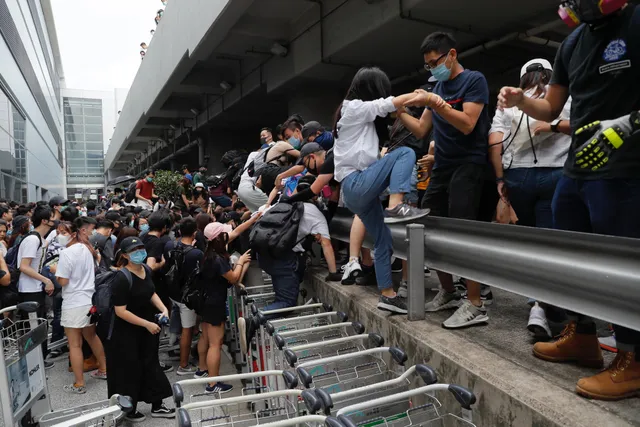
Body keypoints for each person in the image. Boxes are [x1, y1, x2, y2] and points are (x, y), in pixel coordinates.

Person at [497, 0, 640, 400]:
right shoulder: (573, 42)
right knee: (569, 251)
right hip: (579, 166)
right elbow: (552, 105)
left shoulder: (636, 22)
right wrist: (522, 101)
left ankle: (633, 358)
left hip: (627, 165)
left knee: (621, 261)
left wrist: (627, 123)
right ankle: (584, 336)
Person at [399, 32, 491, 328]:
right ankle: (449, 291)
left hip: (469, 163)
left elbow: (467, 124)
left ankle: (476, 303)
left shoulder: (473, 81)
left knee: (463, 230)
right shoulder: (436, 86)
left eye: (434, 62)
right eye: (427, 66)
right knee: (428, 224)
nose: (432, 69)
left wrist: (437, 102)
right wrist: (398, 109)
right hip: (443, 165)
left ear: (451, 54)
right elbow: (421, 129)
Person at [332, 66, 430, 314]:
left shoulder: (361, 121)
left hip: (359, 191)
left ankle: (388, 295)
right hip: (356, 183)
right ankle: (396, 205)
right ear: (371, 90)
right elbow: (384, 105)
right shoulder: (351, 107)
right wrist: (419, 96)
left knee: (384, 240)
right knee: (406, 152)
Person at [489, 58, 572, 339]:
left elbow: (496, 143)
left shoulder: (509, 99)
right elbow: (578, 126)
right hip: (556, 175)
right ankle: (545, 305)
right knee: (551, 242)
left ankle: (538, 303)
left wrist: (500, 180)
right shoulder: (561, 96)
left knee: (529, 241)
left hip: (518, 178)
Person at [105, 236, 175, 421]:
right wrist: (146, 324)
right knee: (130, 369)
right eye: (134, 251)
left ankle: (157, 404)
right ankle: (129, 408)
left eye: (141, 249)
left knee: (151, 364)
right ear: (125, 255)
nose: (140, 253)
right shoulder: (122, 277)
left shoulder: (145, 269)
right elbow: (120, 311)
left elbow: (151, 292)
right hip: (127, 332)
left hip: (148, 328)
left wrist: (163, 309)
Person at [197, 223, 251, 392]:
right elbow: (233, 278)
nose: (228, 236)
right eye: (225, 235)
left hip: (205, 301)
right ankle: (213, 384)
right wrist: (241, 262)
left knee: (205, 337)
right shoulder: (218, 259)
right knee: (216, 343)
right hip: (214, 303)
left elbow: (234, 232)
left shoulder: (208, 253)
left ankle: (203, 369)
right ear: (219, 238)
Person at [56, 217, 107, 394]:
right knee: (91, 336)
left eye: (63, 233)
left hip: (73, 302)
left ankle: (79, 383)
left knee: (74, 344)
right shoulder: (87, 249)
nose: (59, 236)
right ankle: (104, 369)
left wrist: (55, 271)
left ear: (74, 233)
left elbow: (63, 281)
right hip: (88, 300)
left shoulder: (67, 253)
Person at [163, 218, 202, 376]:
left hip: (173, 293)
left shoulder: (169, 245)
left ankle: (173, 340)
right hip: (187, 297)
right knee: (188, 329)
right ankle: (183, 365)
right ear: (195, 232)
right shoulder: (196, 253)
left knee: (177, 316)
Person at [17, 206, 55, 366]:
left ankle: (38, 360)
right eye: (52, 217)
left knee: (39, 324)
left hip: (34, 288)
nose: (55, 219)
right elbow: (24, 266)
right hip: (29, 290)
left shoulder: (38, 238)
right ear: (45, 220)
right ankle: (34, 362)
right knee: (33, 327)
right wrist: (46, 280)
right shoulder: (33, 239)